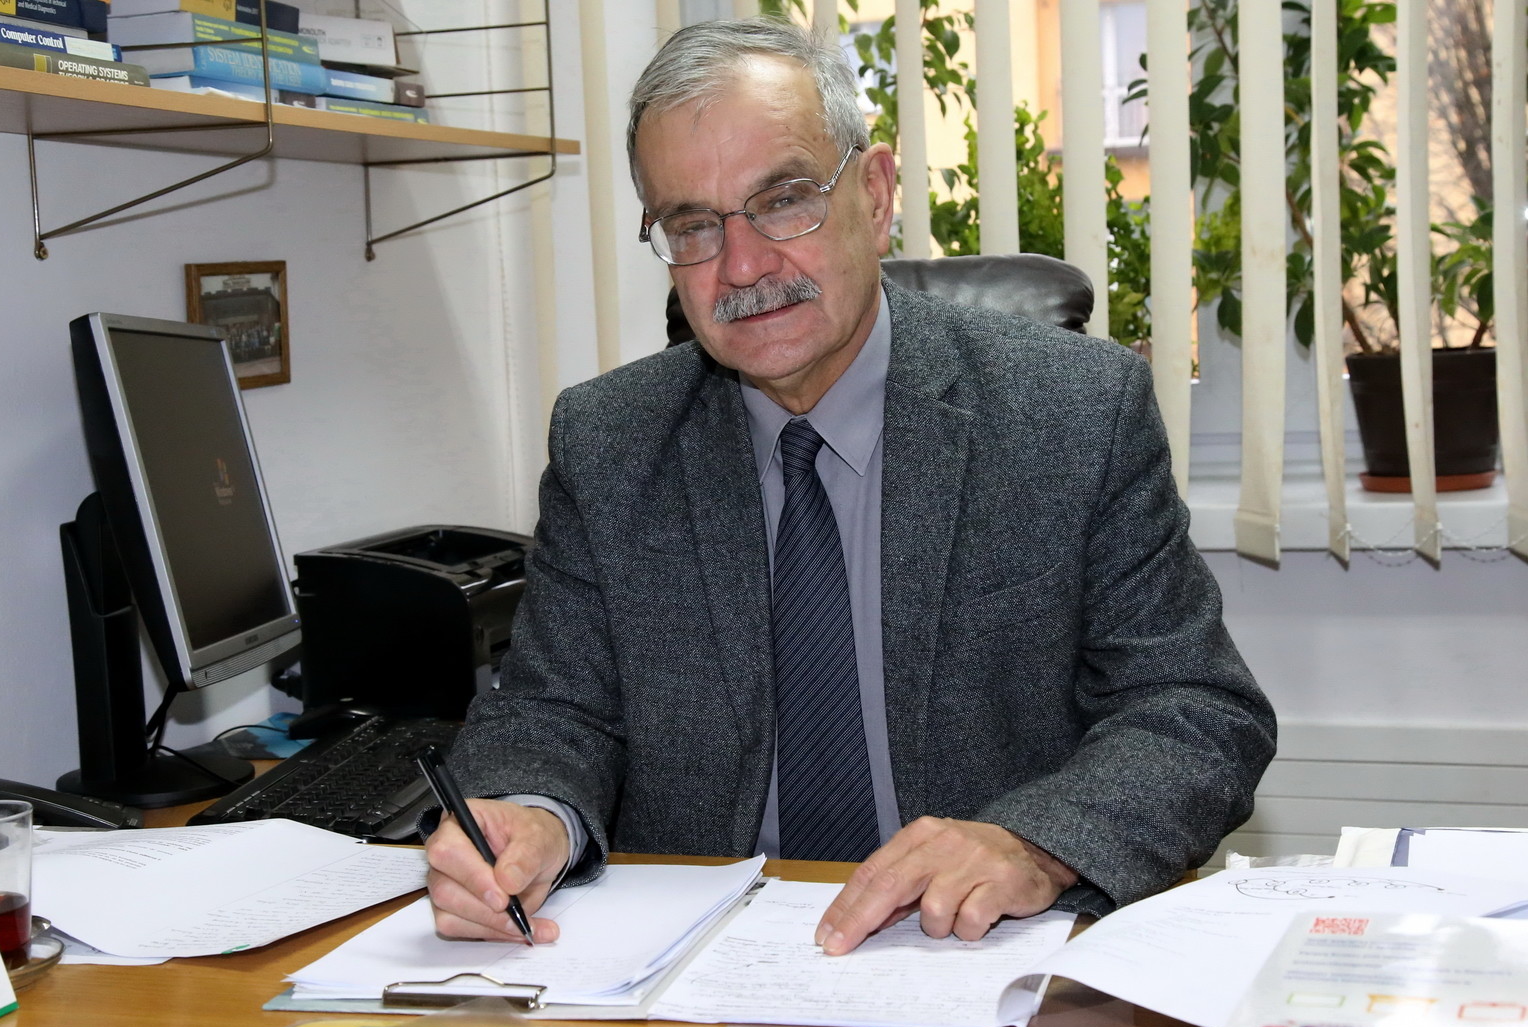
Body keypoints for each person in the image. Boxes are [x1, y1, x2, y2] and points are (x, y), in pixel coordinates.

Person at [424, 17, 1274, 957]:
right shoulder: (610, 441)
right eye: (694, 225)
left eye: (784, 200)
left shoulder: (1072, 411)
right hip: (696, 969)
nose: (743, 266)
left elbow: (1194, 710)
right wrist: (531, 814)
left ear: (874, 193)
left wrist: (1034, 842)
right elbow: (552, 710)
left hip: (973, 957)